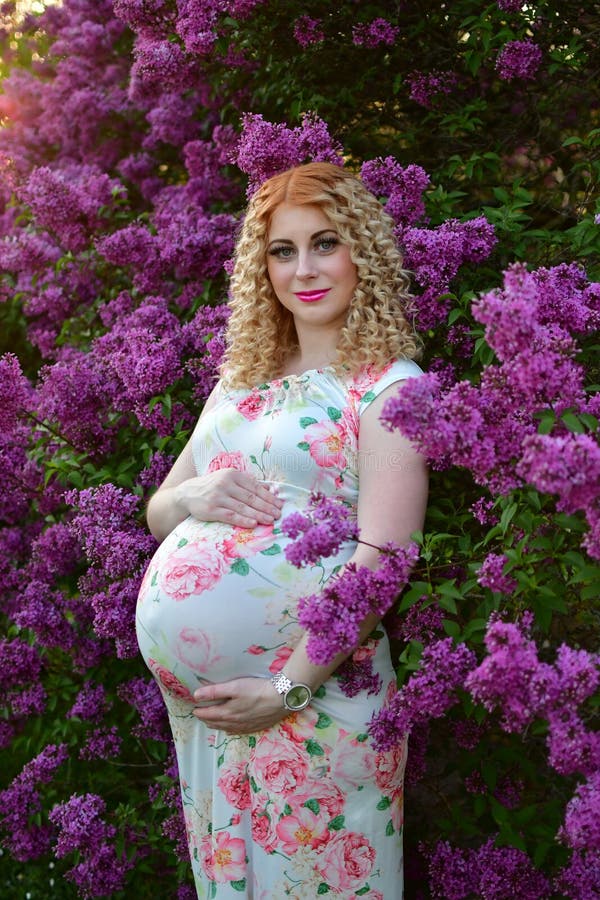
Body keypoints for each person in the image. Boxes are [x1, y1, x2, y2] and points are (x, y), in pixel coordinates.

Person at [136, 162, 429, 898]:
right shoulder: (239, 381)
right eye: (282, 250)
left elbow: (383, 561)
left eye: (324, 243)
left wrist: (287, 688)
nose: (304, 269)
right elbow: (159, 509)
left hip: (315, 705)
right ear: (260, 267)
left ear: (362, 250)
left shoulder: (390, 386)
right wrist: (196, 491)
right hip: (210, 724)